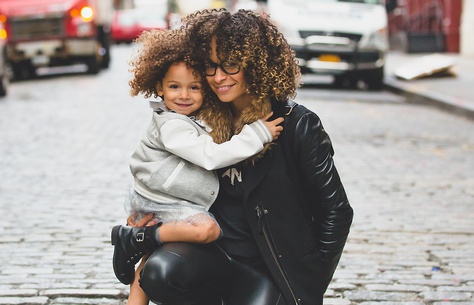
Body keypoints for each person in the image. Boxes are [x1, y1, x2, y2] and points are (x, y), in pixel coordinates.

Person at [132, 9, 354, 305]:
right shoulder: (197, 119)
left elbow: (336, 212)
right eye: (210, 66)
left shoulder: (296, 125)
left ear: (256, 63)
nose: (218, 77)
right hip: (211, 255)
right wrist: (148, 223)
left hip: (268, 267)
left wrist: (308, 283)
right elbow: (163, 176)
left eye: (231, 65)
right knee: (161, 272)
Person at [111, 28, 284, 305]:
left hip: (161, 198)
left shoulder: (188, 119)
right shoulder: (171, 125)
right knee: (208, 231)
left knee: (150, 255)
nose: (184, 96)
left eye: (194, 87)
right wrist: (258, 135)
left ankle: (139, 244)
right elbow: (210, 156)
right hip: (164, 200)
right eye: (174, 87)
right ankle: (135, 238)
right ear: (159, 87)